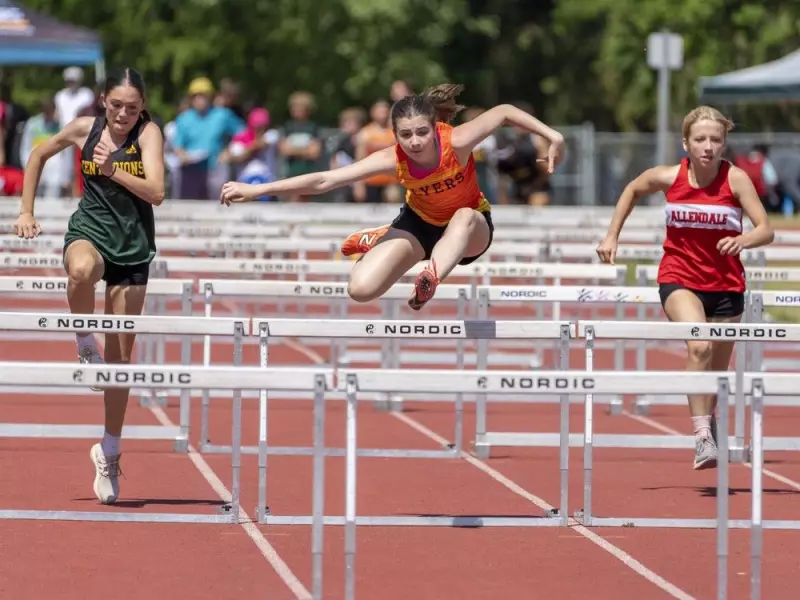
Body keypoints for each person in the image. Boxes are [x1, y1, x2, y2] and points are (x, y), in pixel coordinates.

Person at [221, 84, 565, 309]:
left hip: (470, 227)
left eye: (421, 133)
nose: (414, 142)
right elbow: (326, 179)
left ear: (434, 128)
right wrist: (258, 190)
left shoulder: (457, 142)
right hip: (420, 224)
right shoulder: (391, 158)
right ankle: (386, 237)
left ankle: (430, 276)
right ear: (394, 134)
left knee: (461, 218)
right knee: (361, 290)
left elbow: (504, 111)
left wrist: (553, 136)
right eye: (405, 135)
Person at [13, 67, 165, 504]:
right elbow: (38, 156)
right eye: (116, 105)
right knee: (81, 270)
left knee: (120, 360)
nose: (122, 115)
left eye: (131, 108)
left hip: (134, 245)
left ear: (142, 108)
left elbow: (156, 192)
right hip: (90, 230)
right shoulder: (84, 128)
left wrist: (111, 169)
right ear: (103, 100)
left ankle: (109, 451)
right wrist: (26, 210)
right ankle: (83, 335)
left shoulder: (149, 134)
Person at [595, 105, 774, 471]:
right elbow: (632, 189)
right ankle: (701, 436)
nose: (708, 146)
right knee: (699, 345)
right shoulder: (669, 176)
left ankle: (710, 420)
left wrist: (745, 240)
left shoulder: (735, 179)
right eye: (700, 139)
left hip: (726, 286)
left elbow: (766, 229)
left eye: (715, 140)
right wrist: (612, 235)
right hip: (679, 278)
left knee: (717, 375)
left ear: (724, 144)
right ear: (686, 143)